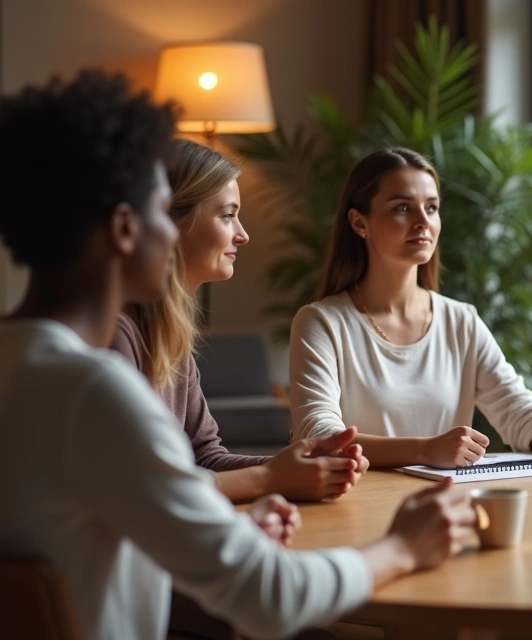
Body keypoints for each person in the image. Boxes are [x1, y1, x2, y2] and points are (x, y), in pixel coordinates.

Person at [0, 70, 474, 640]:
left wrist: (243, 512)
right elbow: (268, 597)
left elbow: (169, 486)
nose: (172, 234)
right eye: (162, 211)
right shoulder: (93, 391)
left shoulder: (22, 362)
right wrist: (402, 547)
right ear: (125, 228)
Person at [290, 147, 532, 470]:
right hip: (360, 502)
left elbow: (517, 409)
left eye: (431, 207)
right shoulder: (322, 323)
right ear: (359, 222)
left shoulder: (461, 321)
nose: (423, 221)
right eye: (403, 208)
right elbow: (319, 436)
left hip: (446, 501)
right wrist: (424, 449)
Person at [112, 138, 368, 503]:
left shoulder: (171, 338)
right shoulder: (118, 335)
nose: (243, 235)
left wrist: (304, 465)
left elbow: (206, 458)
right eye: (227, 215)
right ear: (171, 221)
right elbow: (137, 487)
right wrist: (270, 478)